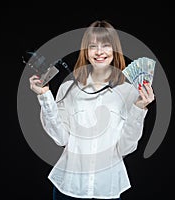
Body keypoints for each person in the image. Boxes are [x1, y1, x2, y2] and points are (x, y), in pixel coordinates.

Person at [29, 20, 155, 200]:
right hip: (68, 189)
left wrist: (139, 108)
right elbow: (61, 138)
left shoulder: (129, 92)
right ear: (86, 51)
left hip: (107, 189)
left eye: (106, 45)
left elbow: (126, 147)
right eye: (93, 46)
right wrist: (44, 96)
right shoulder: (69, 89)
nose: (99, 52)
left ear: (115, 49)